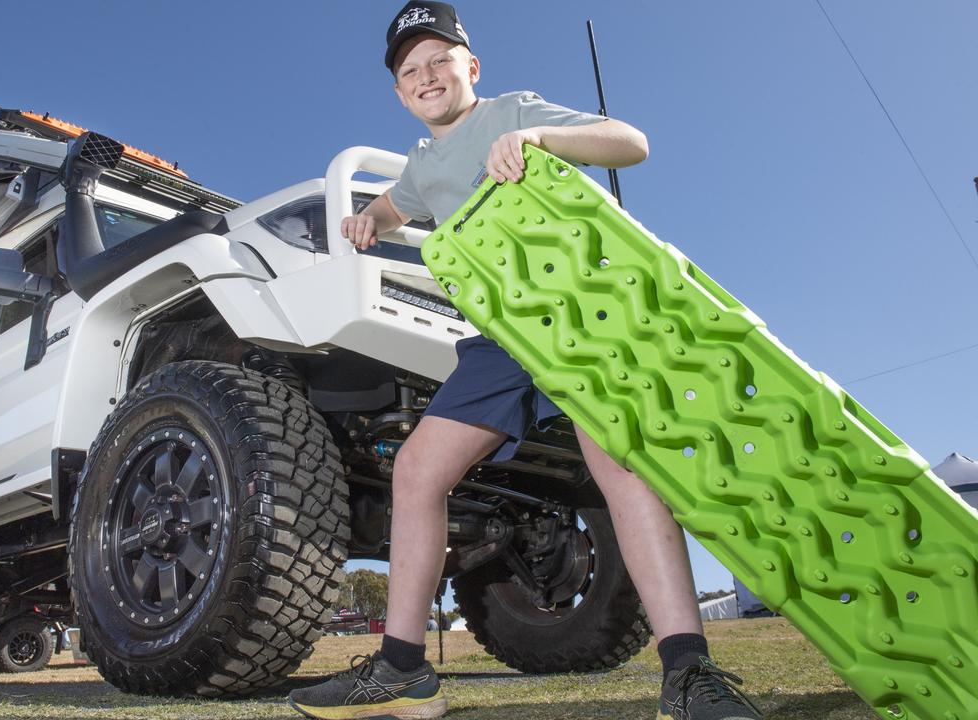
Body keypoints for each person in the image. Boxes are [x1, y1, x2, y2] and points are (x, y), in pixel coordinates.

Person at [287, 3, 764, 720]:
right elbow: (394, 208)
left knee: (619, 465)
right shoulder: (420, 164)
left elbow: (629, 140)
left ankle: (688, 671)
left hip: (575, 318)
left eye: (438, 61)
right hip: (499, 339)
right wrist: (368, 221)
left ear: (469, 67)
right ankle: (402, 670)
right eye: (409, 71)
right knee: (418, 469)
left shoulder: (510, 111)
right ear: (398, 92)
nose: (426, 77)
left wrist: (539, 138)